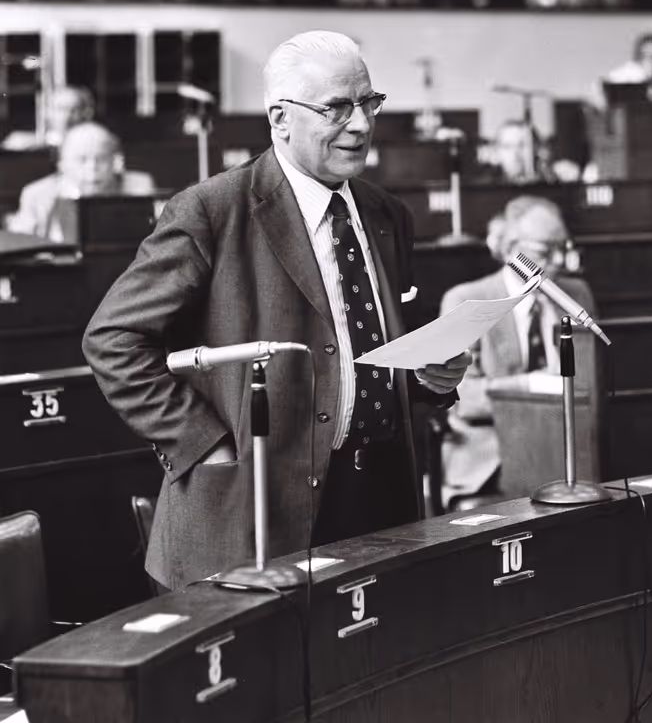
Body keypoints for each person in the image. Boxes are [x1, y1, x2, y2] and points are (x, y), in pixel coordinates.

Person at [82, 30, 470, 590]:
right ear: (280, 118)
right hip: (251, 509)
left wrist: (432, 376)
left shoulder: (387, 214)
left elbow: (373, 351)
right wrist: (204, 444)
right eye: (336, 108)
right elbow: (113, 340)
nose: (361, 124)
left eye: (369, 102)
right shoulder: (211, 210)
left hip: (378, 501)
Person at [438, 196, 596, 508]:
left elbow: (591, 380)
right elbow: (463, 397)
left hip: (567, 451)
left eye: (564, 248)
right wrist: (533, 386)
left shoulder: (576, 295)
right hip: (491, 457)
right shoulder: (467, 300)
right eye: (544, 251)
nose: (559, 260)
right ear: (510, 248)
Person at [8, 122, 155, 242]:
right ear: (62, 164)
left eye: (102, 158)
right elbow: (21, 247)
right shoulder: (37, 195)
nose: (92, 168)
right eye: (82, 159)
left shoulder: (138, 188)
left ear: (114, 162)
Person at [1, 85, 95, 152]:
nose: (67, 115)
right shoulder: (21, 142)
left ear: (84, 113)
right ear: (46, 112)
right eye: (60, 109)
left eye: (74, 109)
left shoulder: (94, 143)